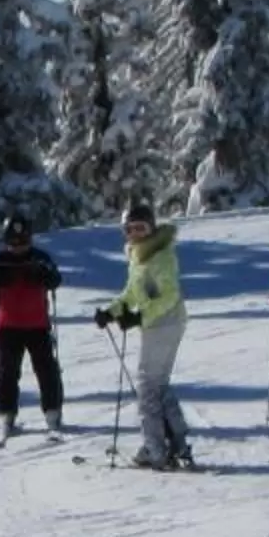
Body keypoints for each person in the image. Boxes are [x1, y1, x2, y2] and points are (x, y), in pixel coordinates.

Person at [93, 196, 193, 469]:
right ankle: (177, 442)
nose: (136, 234)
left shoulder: (160, 256)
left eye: (141, 228)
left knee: (148, 386)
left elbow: (169, 296)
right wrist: (111, 312)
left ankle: (155, 448)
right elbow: (132, 293)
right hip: (162, 322)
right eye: (130, 229)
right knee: (158, 384)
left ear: (152, 228)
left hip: (165, 323)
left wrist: (139, 317)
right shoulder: (141, 255)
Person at [0, 214, 66, 441]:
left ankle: (52, 411)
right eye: (13, 242)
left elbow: (56, 280)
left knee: (46, 369)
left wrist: (45, 274)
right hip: (8, 327)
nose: (18, 247)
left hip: (38, 326)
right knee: (7, 372)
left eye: (22, 241)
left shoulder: (40, 258)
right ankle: (6, 412)